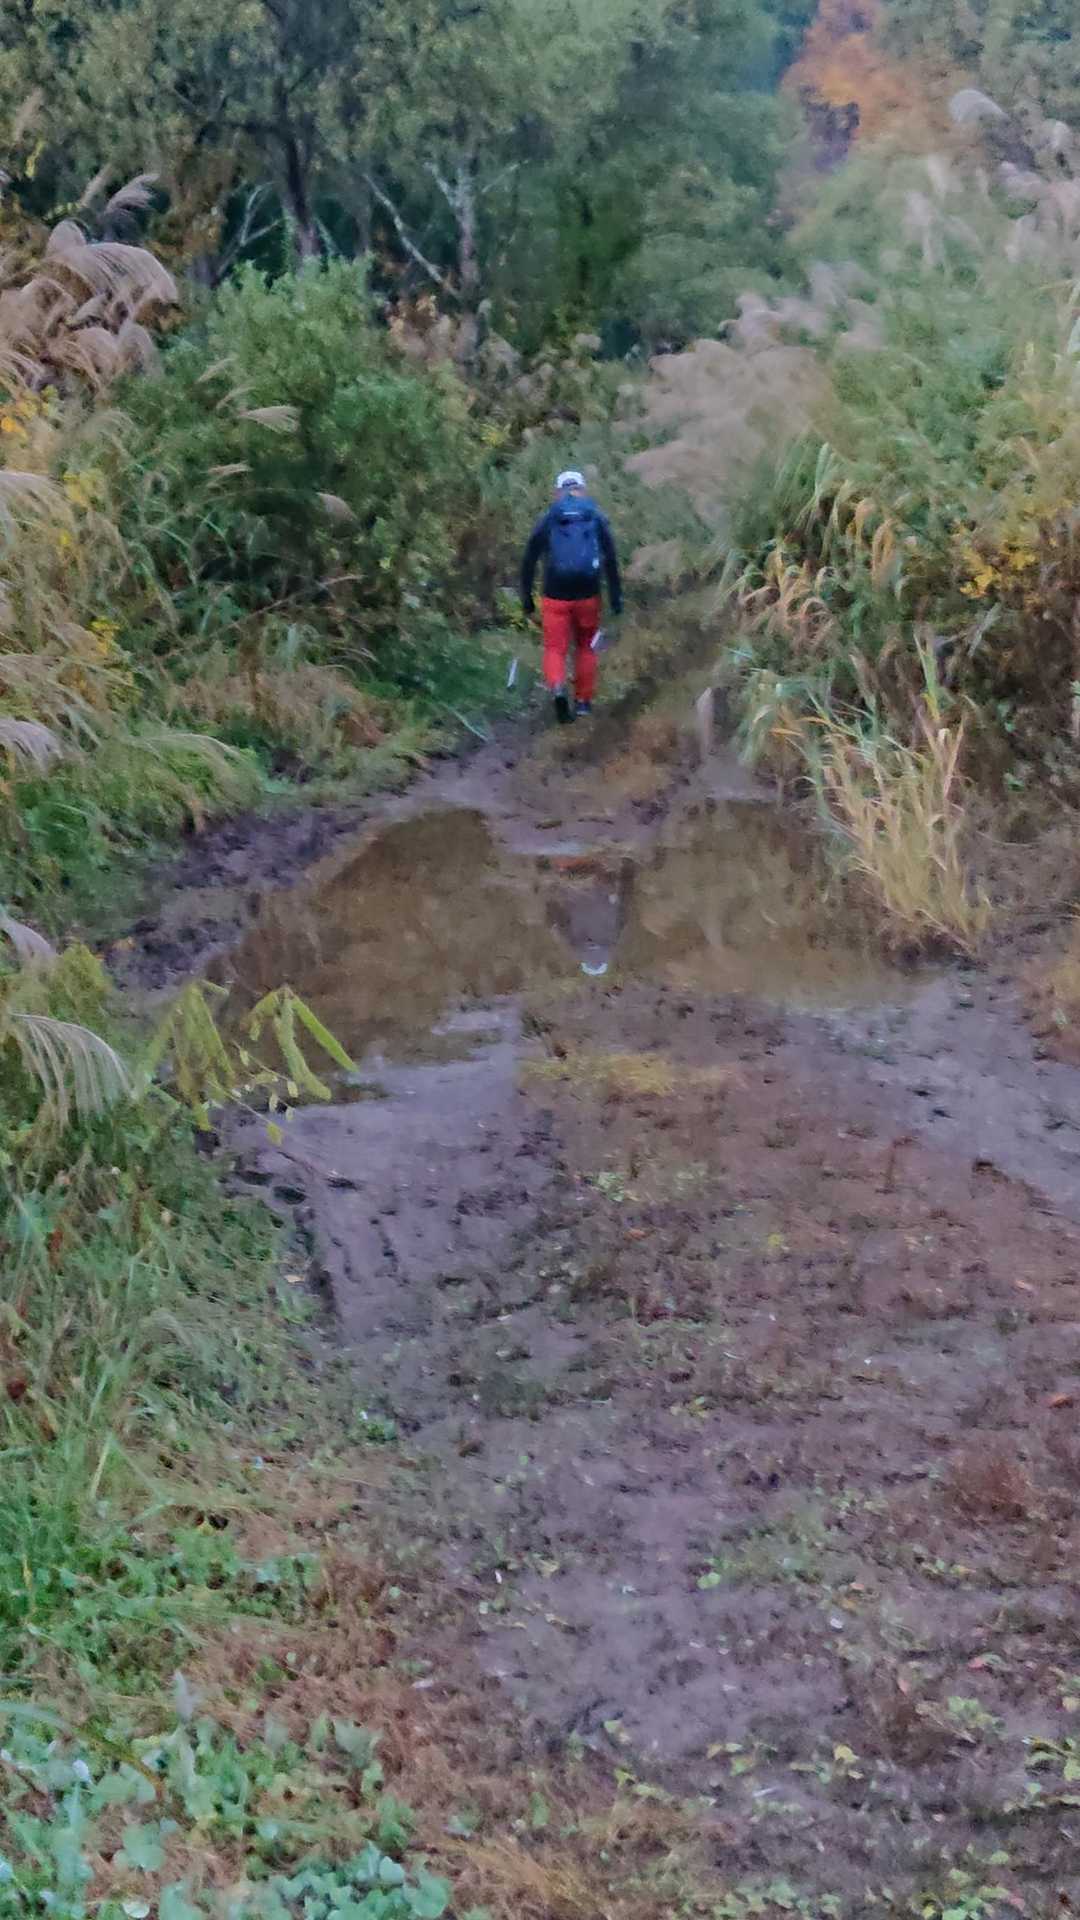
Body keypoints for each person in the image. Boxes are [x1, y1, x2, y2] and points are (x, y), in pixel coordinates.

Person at [520, 469, 623, 724]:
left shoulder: (549, 517)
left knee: (555, 648)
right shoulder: (595, 516)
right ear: (582, 489)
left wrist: (527, 600)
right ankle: (583, 703)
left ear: (558, 492)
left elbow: (529, 560)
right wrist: (615, 598)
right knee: (586, 646)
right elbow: (611, 559)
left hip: (555, 595)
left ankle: (557, 688)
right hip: (588, 594)